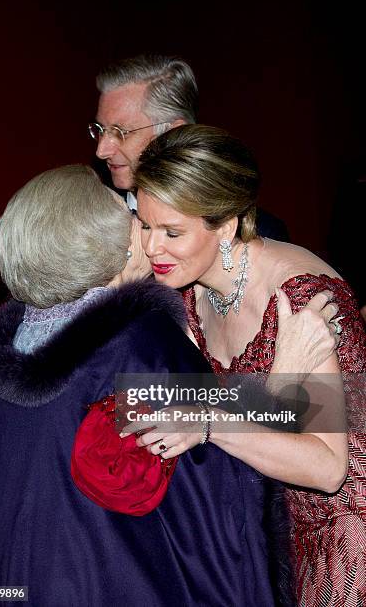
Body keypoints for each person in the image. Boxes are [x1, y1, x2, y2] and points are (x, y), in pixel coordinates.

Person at [0, 164, 337, 606]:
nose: (145, 232)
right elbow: (224, 497)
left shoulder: (0, 373)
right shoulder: (136, 349)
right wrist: (281, 385)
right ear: (117, 250)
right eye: (134, 218)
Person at [124, 124, 366, 606]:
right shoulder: (191, 292)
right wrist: (271, 389)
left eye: (172, 232)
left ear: (228, 225)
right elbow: (161, 405)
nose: (152, 248)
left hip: (343, 538)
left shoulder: (302, 300)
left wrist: (210, 419)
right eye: (145, 224)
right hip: (266, 533)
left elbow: (328, 468)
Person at [91, 53, 290, 240]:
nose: (101, 151)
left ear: (172, 133)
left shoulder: (255, 234)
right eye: (100, 129)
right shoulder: (88, 218)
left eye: (120, 132)